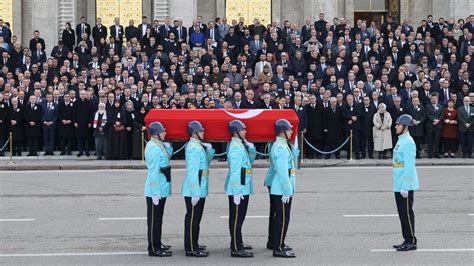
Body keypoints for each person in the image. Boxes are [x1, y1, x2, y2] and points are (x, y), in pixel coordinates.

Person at [264, 119, 299, 258]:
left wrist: (294, 153)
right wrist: (287, 190)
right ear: (283, 131)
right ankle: (278, 247)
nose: (291, 131)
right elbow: (283, 172)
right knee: (282, 218)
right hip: (281, 189)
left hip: (278, 187)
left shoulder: (281, 145)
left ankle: (277, 242)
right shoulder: (280, 147)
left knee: (279, 216)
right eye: (289, 129)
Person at [182, 121, 215, 257]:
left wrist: (210, 150)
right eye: (201, 131)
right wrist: (195, 193)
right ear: (194, 133)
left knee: (196, 219)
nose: (203, 133)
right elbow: (193, 172)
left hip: (199, 188)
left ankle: (193, 242)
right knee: (193, 220)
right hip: (194, 190)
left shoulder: (197, 146)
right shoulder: (193, 148)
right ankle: (190, 248)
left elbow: (205, 164)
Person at [225, 120, 256, 257]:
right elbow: (236, 171)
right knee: (237, 219)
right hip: (239, 189)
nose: (246, 131)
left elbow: (249, 162)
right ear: (236, 132)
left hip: (243, 187)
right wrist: (237, 191)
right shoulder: (236, 148)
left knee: (238, 218)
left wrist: (252, 148)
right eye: (243, 129)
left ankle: (237, 242)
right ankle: (236, 249)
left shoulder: (240, 145)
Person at [144, 122, 173, 257]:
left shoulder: (158, 145)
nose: (165, 133)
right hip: (156, 189)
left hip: (161, 187)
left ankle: (157, 242)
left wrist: (168, 147)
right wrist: (155, 192)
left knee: (158, 218)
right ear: (156, 133)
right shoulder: (153, 148)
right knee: (154, 220)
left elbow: (166, 158)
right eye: (163, 131)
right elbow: (154, 171)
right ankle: (153, 248)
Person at [392, 114, 419, 251]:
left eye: (398, 124)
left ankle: (411, 241)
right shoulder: (401, 140)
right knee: (402, 214)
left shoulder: (408, 142)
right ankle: (406, 238)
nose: (396, 126)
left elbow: (409, 166)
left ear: (405, 127)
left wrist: (405, 186)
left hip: (404, 184)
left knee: (407, 213)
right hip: (398, 182)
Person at [425, 93, 444, 158]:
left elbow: (442, 115)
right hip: (430, 125)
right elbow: (428, 115)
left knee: (437, 141)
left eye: (435, 98)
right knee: (430, 141)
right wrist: (434, 120)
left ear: (437, 99)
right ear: (430, 99)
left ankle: (436, 154)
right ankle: (430, 154)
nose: (433, 100)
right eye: (432, 98)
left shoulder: (440, 106)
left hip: (438, 126)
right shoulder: (427, 106)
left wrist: (438, 120)